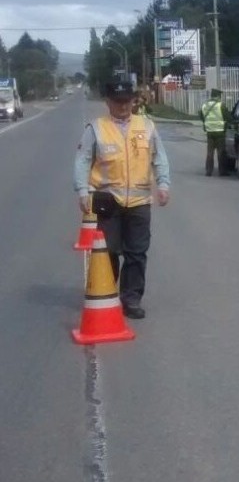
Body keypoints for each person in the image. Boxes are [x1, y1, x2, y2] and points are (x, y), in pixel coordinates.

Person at [73, 81, 171, 320]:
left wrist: (164, 184)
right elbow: (83, 160)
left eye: (127, 101)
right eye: (118, 101)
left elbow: (159, 157)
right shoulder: (96, 128)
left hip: (139, 203)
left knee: (137, 253)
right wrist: (83, 191)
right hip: (107, 201)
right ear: (108, 102)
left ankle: (132, 299)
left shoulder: (146, 126)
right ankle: (107, 293)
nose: (123, 105)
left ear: (133, 101)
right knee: (108, 252)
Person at [200, 88, 230, 177]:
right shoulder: (220, 105)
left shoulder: (205, 105)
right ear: (217, 96)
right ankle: (222, 171)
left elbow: (201, 116)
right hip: (220, 132)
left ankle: (209, 171)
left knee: (210, 152)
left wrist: (207, 123)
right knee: (221, 152)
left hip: (209, 131)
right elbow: (227, 117)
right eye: (219, 96)